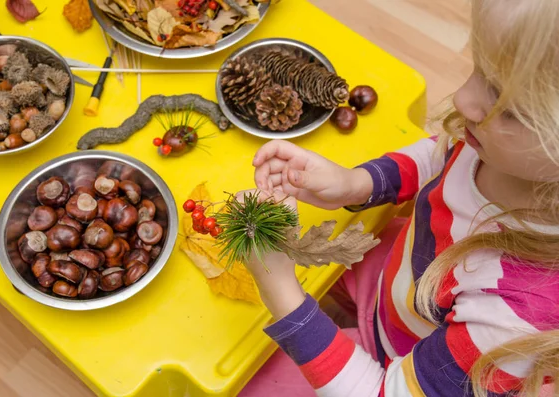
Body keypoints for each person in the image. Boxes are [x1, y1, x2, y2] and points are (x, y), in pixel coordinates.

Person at [238, 0, 559, 395]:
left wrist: (281, 291)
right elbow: (439, 153)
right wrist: (356, 183)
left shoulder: (516, 317)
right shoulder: (498, 147)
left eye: (507, 106)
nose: (463, 99)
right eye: (479, 69)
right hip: (401, 280)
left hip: (401, 364)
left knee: (246, 382)